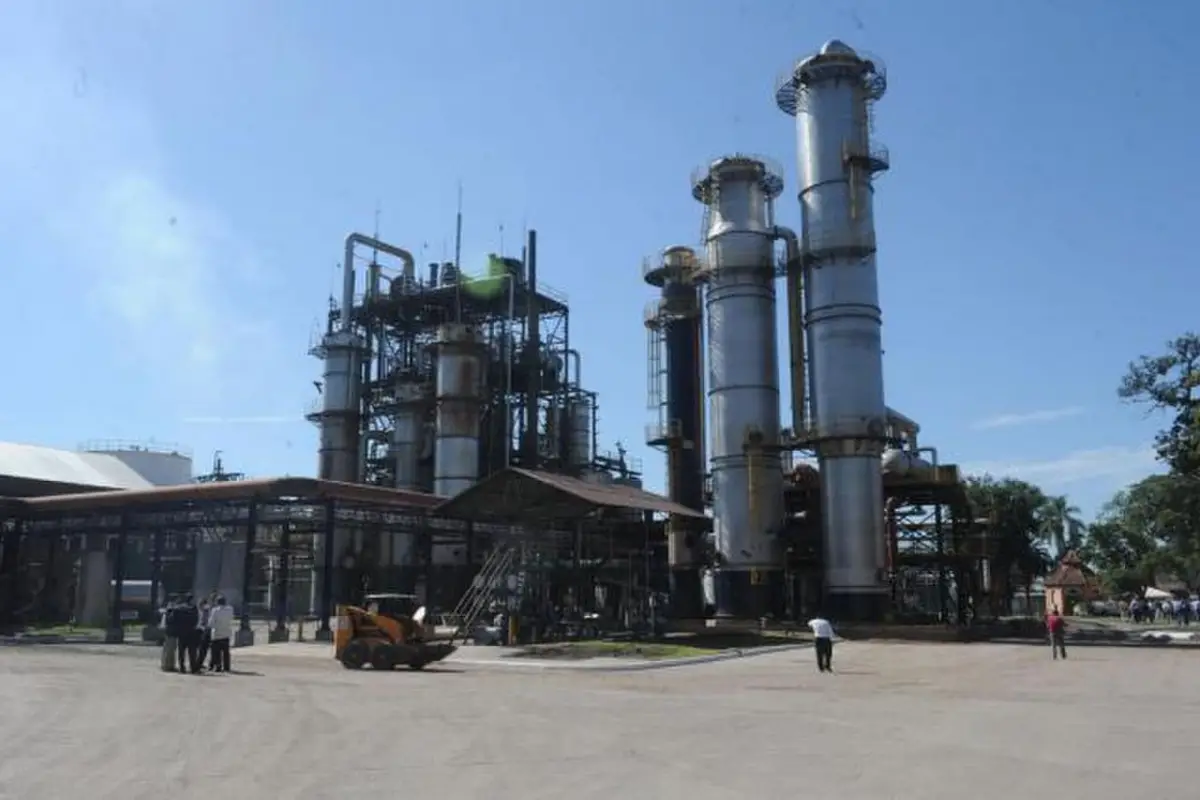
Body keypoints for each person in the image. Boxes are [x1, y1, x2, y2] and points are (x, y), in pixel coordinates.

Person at [207, 595, 234, 673]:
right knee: (226, 652)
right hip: (226, 632)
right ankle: (227, 667)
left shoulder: (215, 610)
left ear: (217, 602)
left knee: (216, 652)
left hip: (217, 633)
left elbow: (211, 622)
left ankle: (218, 666)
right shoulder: (230, 609)